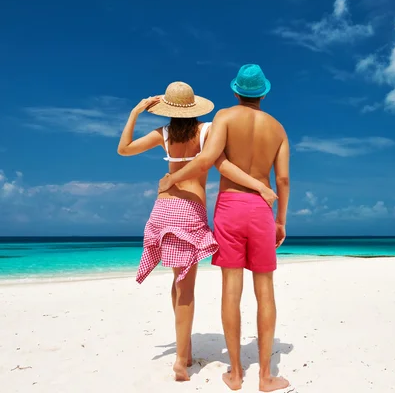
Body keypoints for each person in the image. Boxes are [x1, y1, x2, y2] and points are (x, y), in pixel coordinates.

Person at [117, 81, 277, 383]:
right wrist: (259, 186)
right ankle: (181, 360)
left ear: (167, 110)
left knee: (176, 285)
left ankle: (185, 352)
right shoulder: (206, 132)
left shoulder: (162, 135)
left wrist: (136, 111)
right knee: (186, 287)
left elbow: (123, 149)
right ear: (193, 107)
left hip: (162, 209)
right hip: (189, 211)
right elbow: (223, 165)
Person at [158, 65, 291, 392]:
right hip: (262, 210)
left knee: (231, 289)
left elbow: (208, 160)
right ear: (263, 93)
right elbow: (284, 179)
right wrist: (281, 220)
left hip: (230, 209)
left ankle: (235, 373)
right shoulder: (278, 129)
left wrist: (172, 178)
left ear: (236, 91)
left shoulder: (225, 118)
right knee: (265, 290)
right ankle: (265, 377)